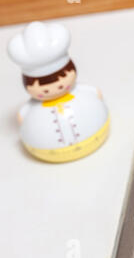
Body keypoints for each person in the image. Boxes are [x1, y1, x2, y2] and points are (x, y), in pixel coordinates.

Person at [8, 21, 110, 162]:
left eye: (60, 83)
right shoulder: (30, 109)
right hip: (44, 149)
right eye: (45, 88)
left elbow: (95, 92)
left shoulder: (84, 92)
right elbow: (22, 116)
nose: (55, 88)